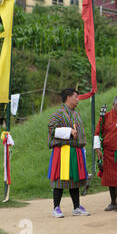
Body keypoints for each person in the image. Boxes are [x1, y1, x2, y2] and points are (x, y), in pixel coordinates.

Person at [47, 88, 91, 218]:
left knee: (74, 180)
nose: (78, 100)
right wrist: (69, 132)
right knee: (60, 179)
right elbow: (52, 130)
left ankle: (76, 207)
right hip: (63, 151)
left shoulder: (76, 114)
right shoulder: (58, 114)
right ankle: (56, 208)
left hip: (75, 150)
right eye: (76, 97)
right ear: (68, 97)